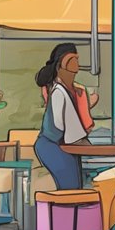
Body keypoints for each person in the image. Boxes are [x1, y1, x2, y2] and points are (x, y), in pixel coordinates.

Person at [34, 43, 91, 189]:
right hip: (53, 147)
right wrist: (83, 143)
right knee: (70, 189)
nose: (77, 63)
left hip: (62, 145)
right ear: (63, 63)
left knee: (74, 187)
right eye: (74, 59)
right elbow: (62, 126)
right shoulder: (59, 92)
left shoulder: (69, 90)